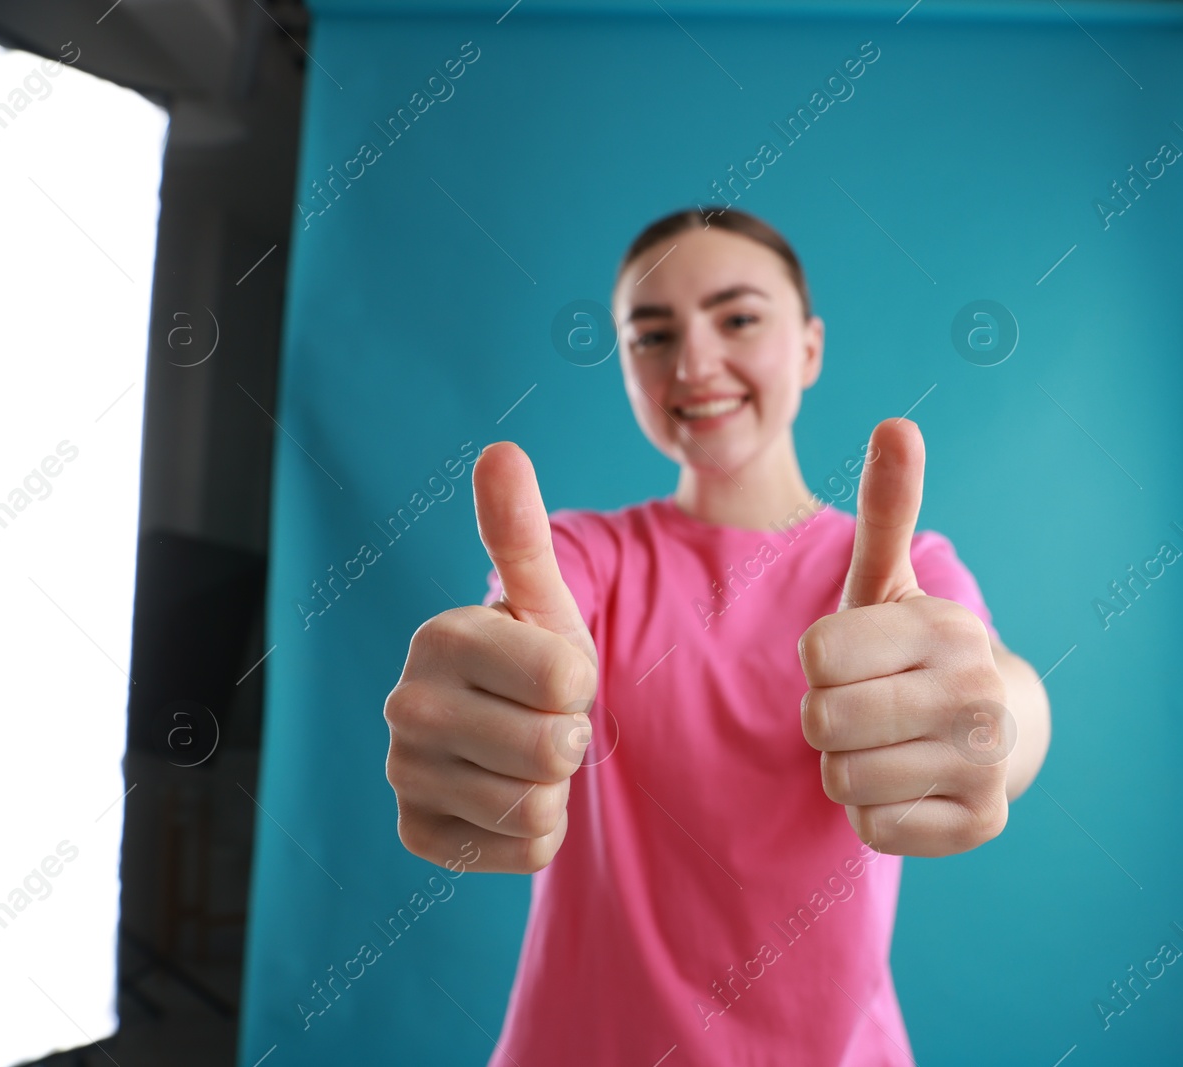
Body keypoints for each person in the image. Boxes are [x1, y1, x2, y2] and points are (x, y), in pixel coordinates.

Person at [382, 207, 1052, 1065]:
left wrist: (992, 728)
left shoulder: (900, 573)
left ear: (808, 347)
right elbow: (515, 647)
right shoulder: (583, 558)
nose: (694, 364)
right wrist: (482, 713)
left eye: (737, 318)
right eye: (652, 336)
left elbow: (998, 686)